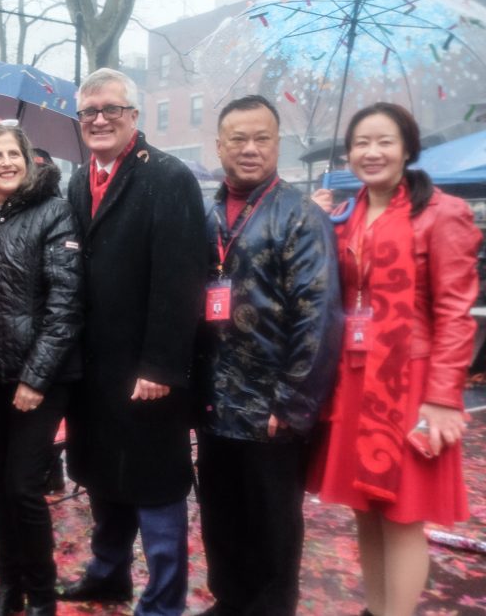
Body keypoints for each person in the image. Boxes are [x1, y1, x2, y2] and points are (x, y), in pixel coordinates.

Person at [308, 102, 479, 616]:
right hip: (354, 378)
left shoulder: (442, 212)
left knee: (402, 514)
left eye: (384, 141)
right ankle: (376, 607)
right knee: (365, 508)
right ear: (348, 152)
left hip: (412, 383)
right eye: (361, 142)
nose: (372, 152)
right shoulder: (345, 214)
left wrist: (445, 399)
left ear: (407, 148)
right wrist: (316, 226)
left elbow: (455, 311)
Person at [56, 67, 207, 615]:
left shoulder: (168, 177)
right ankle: (108, 573)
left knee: (156, 484)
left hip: (146, 366)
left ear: (133, 117)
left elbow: (182, 276)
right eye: (89, 111)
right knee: (101, 475)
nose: (99, 120)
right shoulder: (77, 179)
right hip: (93, 366)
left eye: (111, 110)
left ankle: (164, 599)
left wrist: (161, 366)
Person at [192, 95, 343, 615]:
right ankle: (229, 600)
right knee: (220, 513)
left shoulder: (301, 218)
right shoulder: (205, 213)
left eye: (262, 138)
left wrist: (292, 402)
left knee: (273, 524)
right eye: (238, 138)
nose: (250, 149)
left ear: (278, 144)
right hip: (214, 401)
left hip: (270, 410)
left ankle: (269, 607)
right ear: (219, 145)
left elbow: (318, 318)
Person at [0, 123, 83, 616]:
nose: (7, 162)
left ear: (28, 160)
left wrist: (35, 378)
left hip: (39, 376)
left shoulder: (53, 212)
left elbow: (66, 303)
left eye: (15, 153)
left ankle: (42, 595)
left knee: (23, 489)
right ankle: (9, 587)